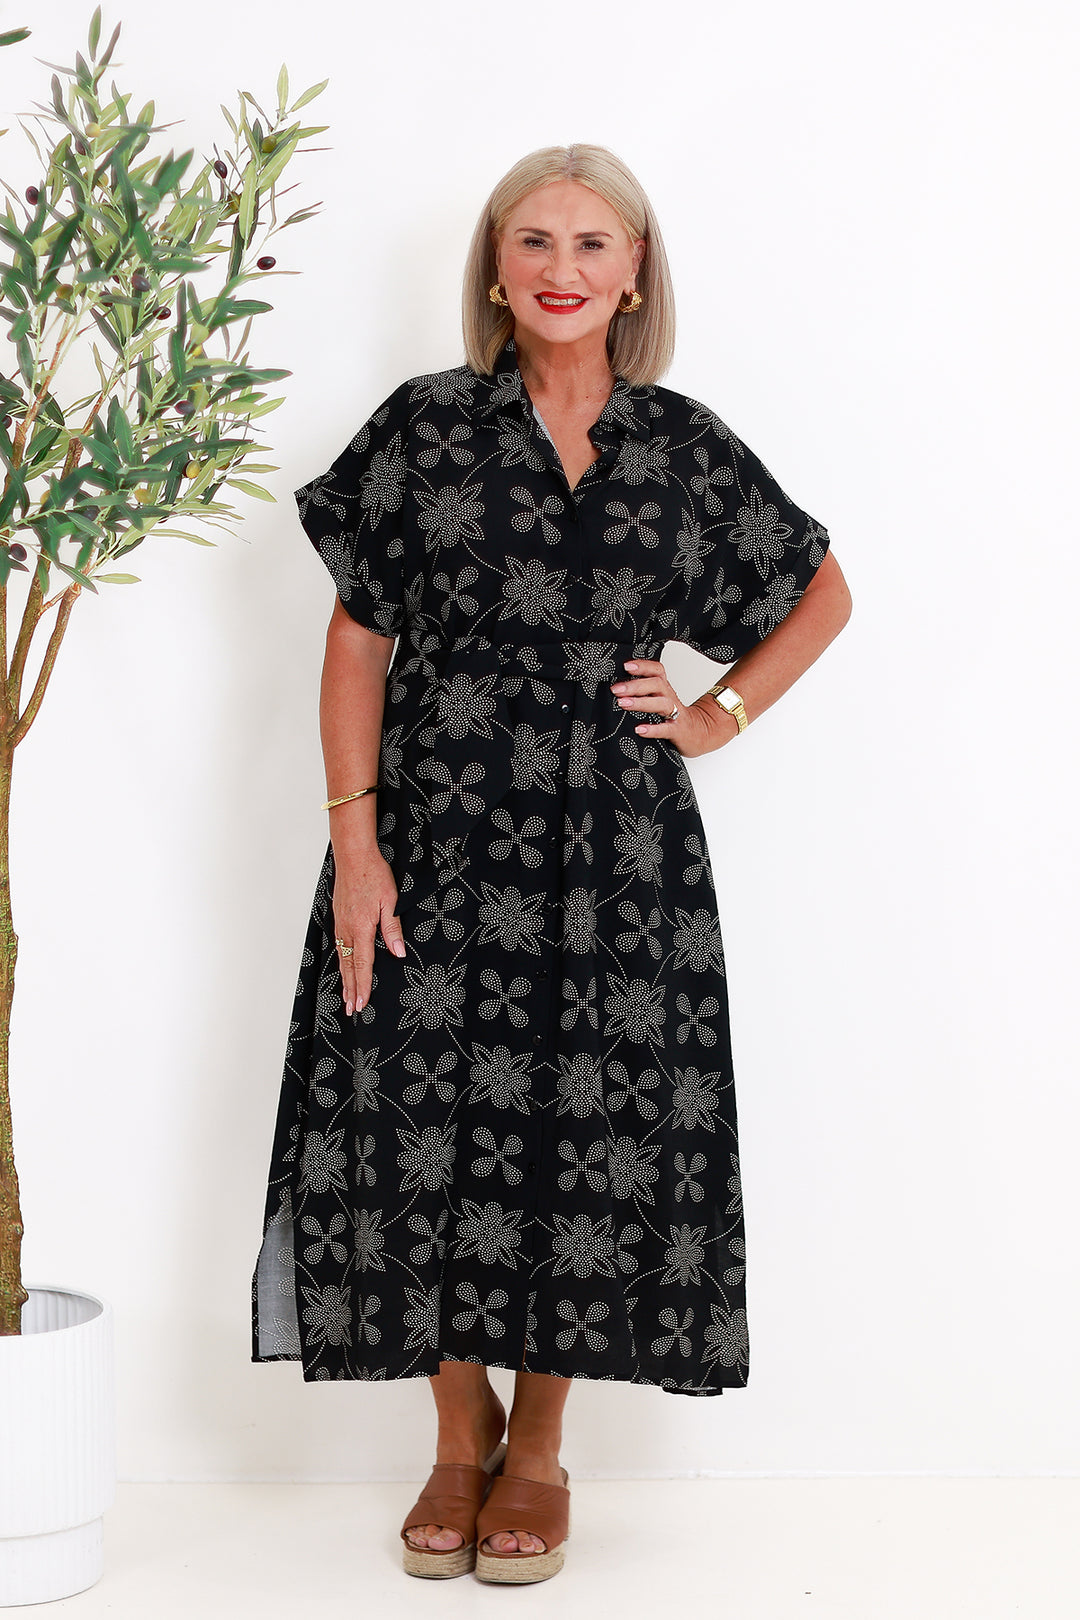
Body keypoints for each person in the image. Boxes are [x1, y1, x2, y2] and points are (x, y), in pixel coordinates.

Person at [250, 142, 852, 1585]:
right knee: (419, 1112)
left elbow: (821, 592)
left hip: (619, 849)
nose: (562, 269)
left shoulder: (685, 448)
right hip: (435, 831)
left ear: (634, 272)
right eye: (534, 242)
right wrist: (356, 845)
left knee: (578, 1128)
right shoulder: (426, 427)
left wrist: (717, 713)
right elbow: (357, 637)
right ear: (496, 269)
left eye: (592, 244)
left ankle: (540, 1446)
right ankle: (457, 1432)